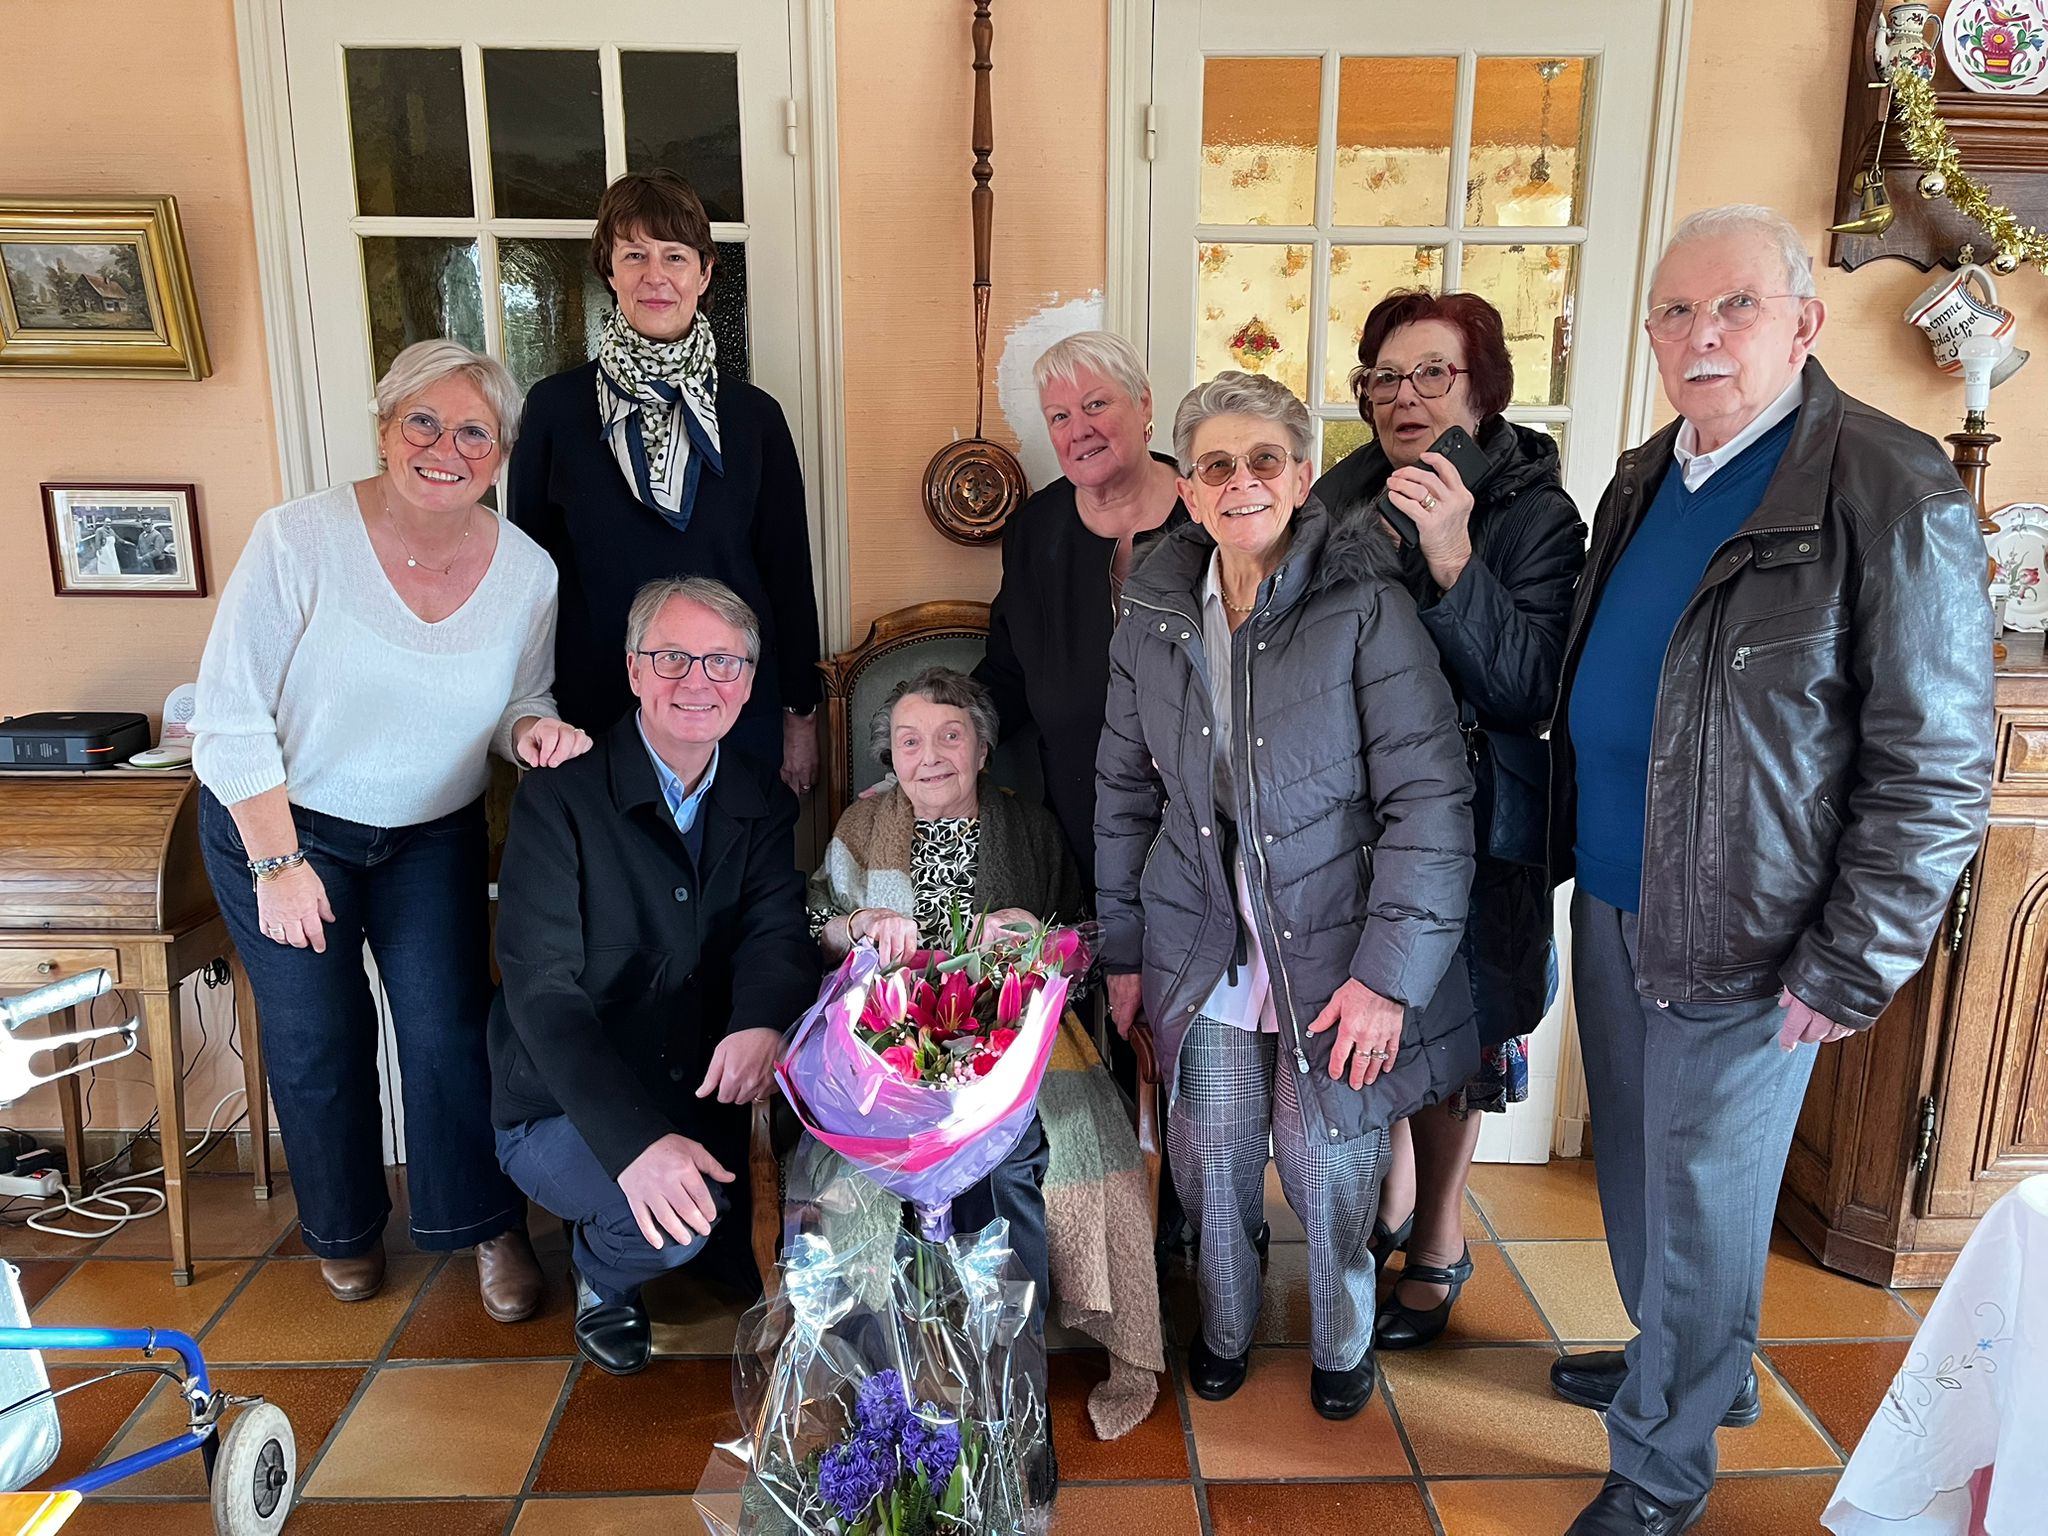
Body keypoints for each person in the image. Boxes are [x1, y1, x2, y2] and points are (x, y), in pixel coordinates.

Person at [1548, 205, 1994, 1536]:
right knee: (1640, 1176)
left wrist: (1856, 957)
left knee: (1695, 1198)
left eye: (1733, 307)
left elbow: (1939, 763)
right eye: (1674, 313)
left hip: (1753, 934)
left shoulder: (1887, 482)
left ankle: (1661, 1472)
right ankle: (1691, 1372)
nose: (1700, 337)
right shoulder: (1646, 474)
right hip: (1622, 897)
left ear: (1803, 324)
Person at [1095, 369, 1475, 1422]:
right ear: (1186, 488)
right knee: (1210, 1156)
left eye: (1263, 460)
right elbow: (1123, 792)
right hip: (1200, 938)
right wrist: (1122, 952)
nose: (1239, 482)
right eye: (1214, 464)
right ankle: (1223, 1328)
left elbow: (1429, 803)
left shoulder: (1364, 604)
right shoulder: (1152, 611)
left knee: (1326, 1164)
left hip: (1338, 950)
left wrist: (1387, 984)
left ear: (1303, 477)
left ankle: (1341, 1343)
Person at [191, 339, 588, 1319]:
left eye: (471, 432)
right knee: (318, 1033)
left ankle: (482, 1225)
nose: (443, 447)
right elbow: (228, 712)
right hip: (284, 822)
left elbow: (517, 698)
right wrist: (278, 859)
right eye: (423, 422)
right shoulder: (298, 540)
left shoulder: (526, 572)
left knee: (450, 1031)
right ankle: (345, 1232)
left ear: (497, 456)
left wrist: (532, 731)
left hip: (427, 832)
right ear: (383, 428)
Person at [1312, 290, 1585, 1349]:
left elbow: (1528, 688)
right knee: (1375, 1019)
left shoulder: (1533, 513)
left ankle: (1436, 1234)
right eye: (1383, 377)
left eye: (1431, 374)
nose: (1401, 398)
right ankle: (1385, 1205)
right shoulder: (1340, 495)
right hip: (1360, 818)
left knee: (1456, 1035)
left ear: (1480, 391)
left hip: (1472, 827)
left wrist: (1451, 560)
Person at [490, 576, 821, 1376]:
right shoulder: (560, 796)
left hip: (696, 1084)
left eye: (720, 662)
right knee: (675, 1227)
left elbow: (777, 933)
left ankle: (652, 1212)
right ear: (634, 670)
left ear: (747, 682)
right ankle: (602, 1278)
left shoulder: (762, 802)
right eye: (671, 657)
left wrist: (761, 1019)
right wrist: (634, 1144)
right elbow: (542, 992)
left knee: (790, 1247)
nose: (696, 682)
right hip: (563, 1100)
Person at [509, 169, 823, 795]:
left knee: (737, 885)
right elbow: (527, 577)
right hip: (595, 705)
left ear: (703, 275)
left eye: (674, 256)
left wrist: (800, 715)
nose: (656, 276)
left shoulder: (755, 418)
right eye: (634, 256)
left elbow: (787, 572)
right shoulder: (555, 410)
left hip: (732, 705)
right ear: (611, 273)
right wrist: (528, 710)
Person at [975, 331, 1188, 889]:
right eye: (1060, 416)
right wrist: (944, 733)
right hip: (1082, 813)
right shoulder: (1035, 530)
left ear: (1144, 403)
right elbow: (1008, 670)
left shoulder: (1207, 513)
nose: (1079, 430)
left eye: (1096, 404)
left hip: (1206, 811)